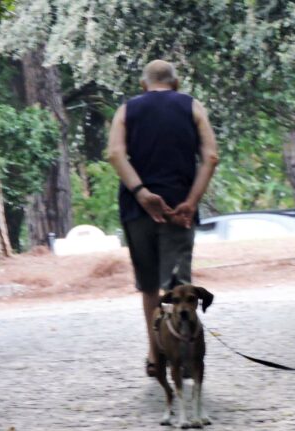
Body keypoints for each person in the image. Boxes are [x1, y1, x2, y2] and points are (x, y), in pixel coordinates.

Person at [108, 60, 219, 377]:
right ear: (177, 82)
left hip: (137, 210)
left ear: (143, 85)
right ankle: (183, 355)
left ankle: (156, 355)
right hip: (178, 210)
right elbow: (211, 156)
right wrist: (191, 201)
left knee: (149, 288)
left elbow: (115, 154)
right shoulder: (192, 106)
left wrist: (142, 193)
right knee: (177, 286)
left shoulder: (126, 110)